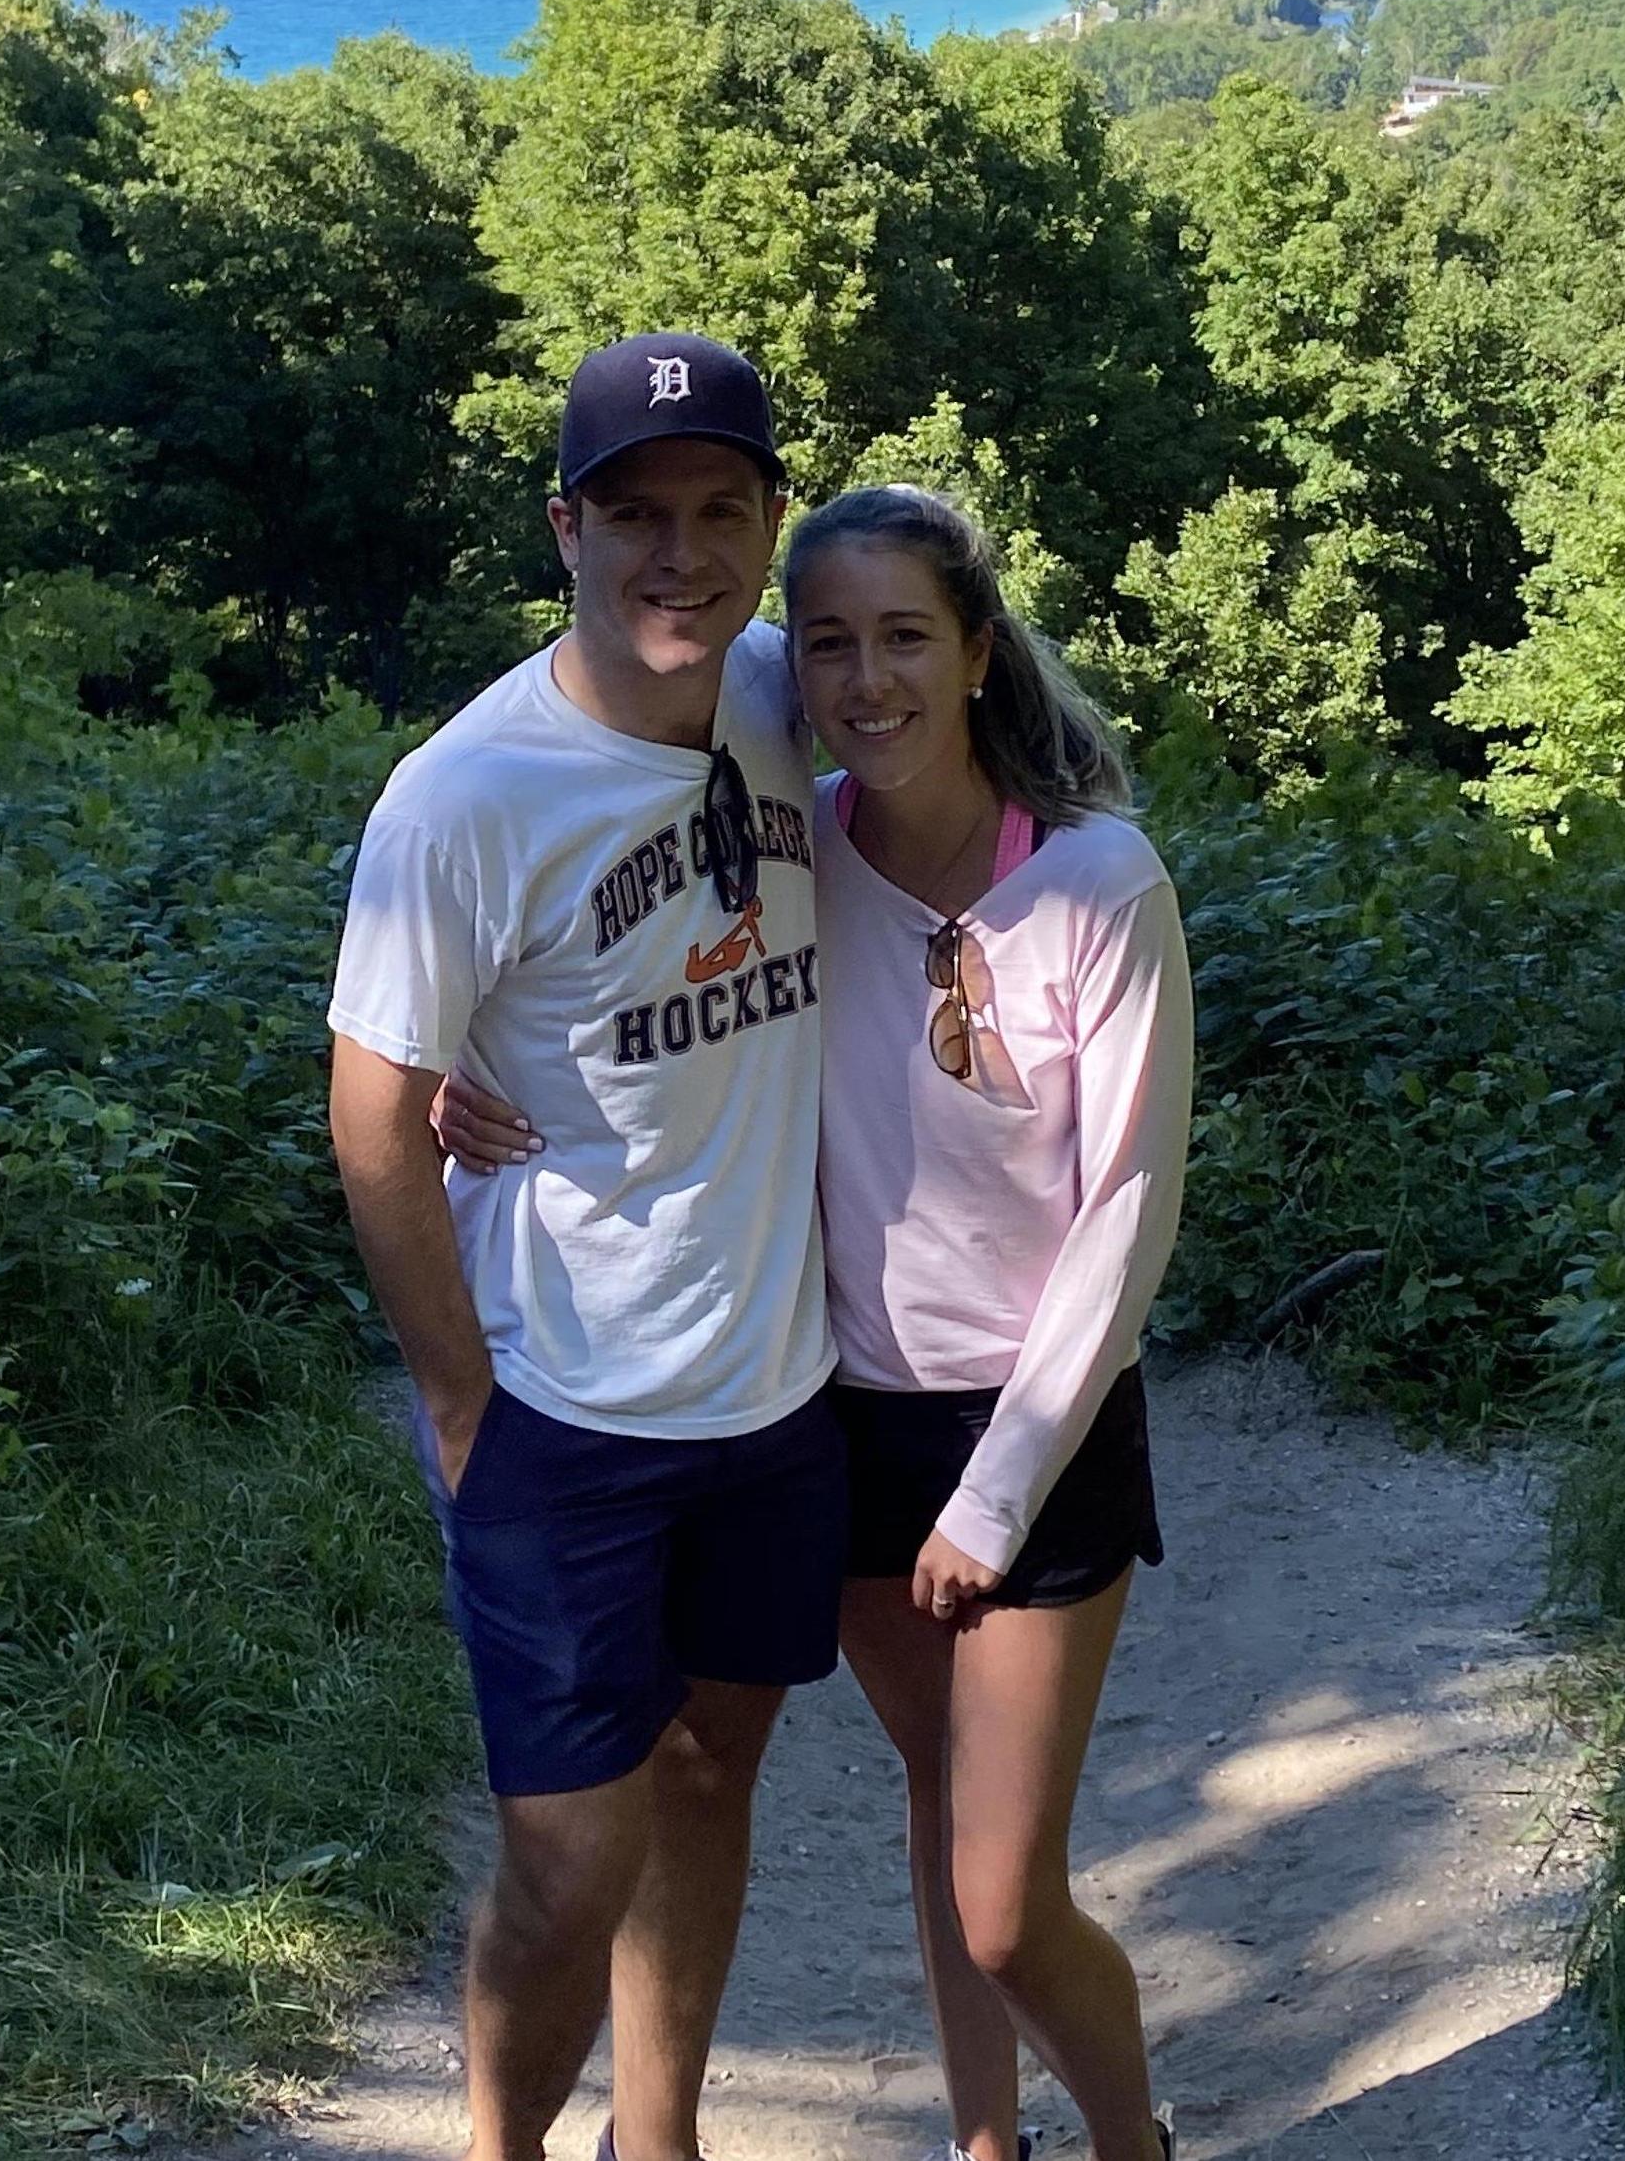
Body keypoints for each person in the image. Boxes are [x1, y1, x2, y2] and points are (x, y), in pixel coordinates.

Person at [444, 482, 1191, 2161]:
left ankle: (1137, 2143)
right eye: (835, 644)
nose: (868, 680)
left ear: (981, 651)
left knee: (1006, 1899)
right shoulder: (799, 843)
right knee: (939, 1799)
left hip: (1037, 1430)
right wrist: (472, 1070)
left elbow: (1124, 1218)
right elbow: (566, 845)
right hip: (839, 1416)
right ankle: (986, 2142)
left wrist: (996, 1492)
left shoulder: (1099, 885)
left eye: (910, 639)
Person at [325, 331, 840, 2161]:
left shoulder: (805, 692)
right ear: (565, 529)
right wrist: (463, 1409)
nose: (678, 555)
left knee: (712, 1774)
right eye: (634, 515)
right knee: (564, 1862)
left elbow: (991, 787)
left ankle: (664, 2137)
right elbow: (374, 1113)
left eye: (720, 511)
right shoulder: (466, 796)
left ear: (774, 523)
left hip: (780, 1391)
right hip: (565, 1409)